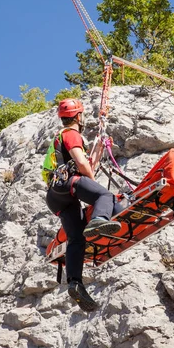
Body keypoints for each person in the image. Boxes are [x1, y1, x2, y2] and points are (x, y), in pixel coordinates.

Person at [45, 98, 122, 312]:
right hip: (68, 184)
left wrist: (99, 147)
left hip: (55, 195)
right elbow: (81, 163)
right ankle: (99, 220)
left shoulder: (60, 138)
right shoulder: (71, 134)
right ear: (79, 116)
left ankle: (75, 282)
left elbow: (88, 165)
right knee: (106, 197)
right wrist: (93, 186)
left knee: (76, 239)